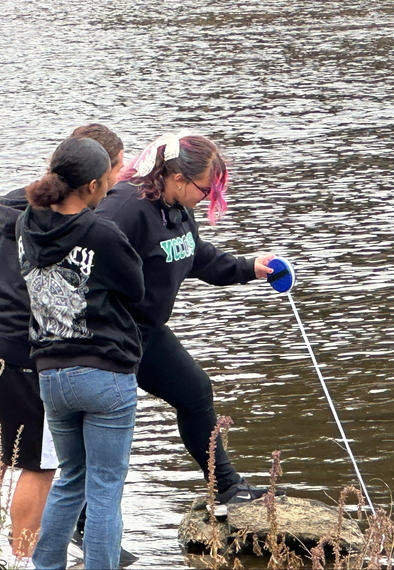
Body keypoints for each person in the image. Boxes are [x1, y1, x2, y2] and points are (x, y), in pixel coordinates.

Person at [0, 124, 124, 570]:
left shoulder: (17, 200)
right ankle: (22, 560)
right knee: (40, 463)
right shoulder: (69, 221)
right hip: (21, 348)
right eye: (117, 172)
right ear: (95, 177)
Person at [95, 131, 279, 516]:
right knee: (105, 430)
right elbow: (84, 260)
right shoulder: (125, 208)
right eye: (206, 189)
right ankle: (82, 517)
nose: (209, 198)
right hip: (111, 332)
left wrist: (250, 267)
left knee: (195, 392)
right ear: (178, 178)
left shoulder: (176, 208)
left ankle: (226, 487)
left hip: (147, 330)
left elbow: (199, 259)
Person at [17, 137, 145, 570]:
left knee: (70, 479)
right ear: (91, 185)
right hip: (105, 372)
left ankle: (46, 567)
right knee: (106, 488)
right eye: (109, 179)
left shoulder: (25, 226)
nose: (113, 185)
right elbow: (136, 290)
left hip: (51, 372)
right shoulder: (101, 231)